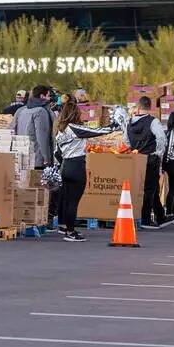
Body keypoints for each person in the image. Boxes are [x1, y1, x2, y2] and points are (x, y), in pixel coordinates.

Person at [53, 96, 112, 242]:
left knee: (67, 200)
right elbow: (96, 131)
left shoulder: (60, 130)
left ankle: (66, 227)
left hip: (65, 166)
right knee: (74, 201)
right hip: (77, 166)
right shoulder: (75, 128)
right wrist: (113, 126)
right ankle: (71, 232)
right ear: (74, 114)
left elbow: (57, 153)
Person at [13, 85, 57, 221]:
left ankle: (22, 218)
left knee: (25, 189)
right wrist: (47, 157)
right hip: (37, 157)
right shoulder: (41, 112)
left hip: (21, 156)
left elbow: (12, 130)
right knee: (41, 192)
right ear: (43, 96)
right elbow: (42, 135)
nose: (51, 98)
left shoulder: (21, 110)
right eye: (49, 95)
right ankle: (41, 219)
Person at [128, 96, 172, 230]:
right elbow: (161, 138)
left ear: (138, 107)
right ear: (150, 108)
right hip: (150, 158)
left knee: (147, 188)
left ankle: (160, 215)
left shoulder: (129, 122)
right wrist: (158, 152)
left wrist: (134, 150)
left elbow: (125, 139)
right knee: (150, 188)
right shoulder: (153, 122)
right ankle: (146, 218)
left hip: (135, 159)